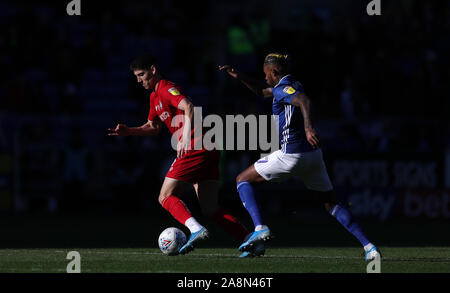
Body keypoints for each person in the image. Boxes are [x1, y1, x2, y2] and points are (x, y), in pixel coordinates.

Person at [219, 53, 381, 261]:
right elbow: (262, 91)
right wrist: (240, 76)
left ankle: (260, 227)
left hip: (292, 155)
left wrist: (308, 127)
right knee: (331, 204)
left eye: (267, 75)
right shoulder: (289, 84)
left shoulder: (283, 89)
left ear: (275, 72)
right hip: (313, 157)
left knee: (241, 179)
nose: (266, 78)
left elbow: (304, 100)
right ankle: (370, 247)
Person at [109, 54, 251, 256]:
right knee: (210, 208)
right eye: (136, 77)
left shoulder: (166, 88)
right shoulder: (154, 97)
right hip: (208, 148)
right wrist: (130, 131)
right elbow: (154, 127)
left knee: (165, 196)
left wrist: (184, 137)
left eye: (142, 75)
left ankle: (196, 229)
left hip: (195, 145)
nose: (139, 80)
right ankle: (249, 240)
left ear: (153, 70)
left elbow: (188, 106)